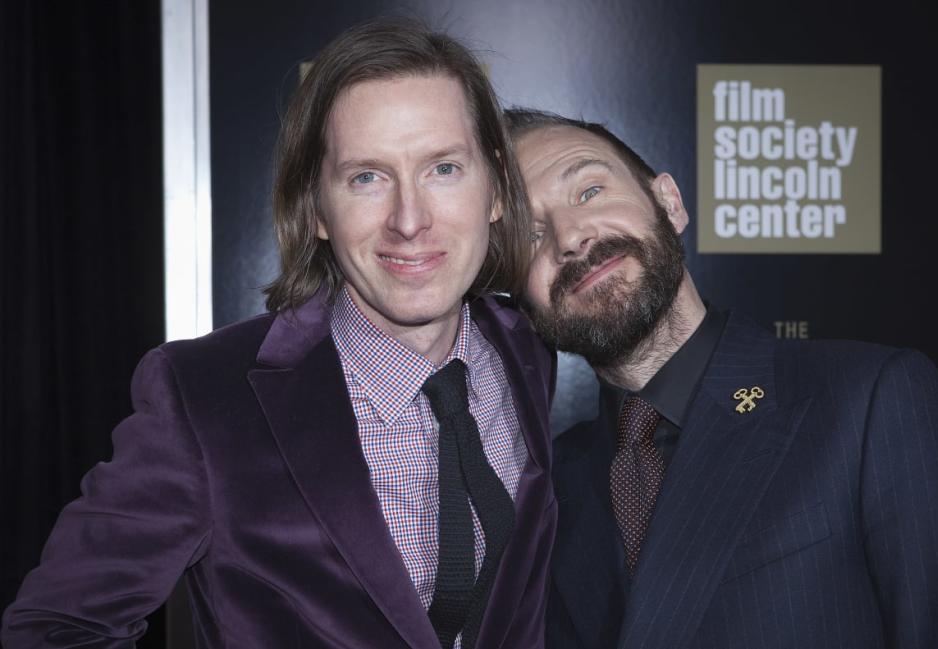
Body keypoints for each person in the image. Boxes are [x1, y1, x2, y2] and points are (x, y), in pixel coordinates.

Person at [2, 21, 557, 649]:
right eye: (366, 177)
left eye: (444, 168)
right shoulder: (205, 397)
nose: (409, 220)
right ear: (316, 211)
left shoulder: (527, 348)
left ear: (496, 190)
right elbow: (55, 628)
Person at [505, 108, 938, 649]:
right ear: (517, 296)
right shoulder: (546, 489)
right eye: (528, 236)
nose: (571, 237)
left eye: (589, 191)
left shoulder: (868, 400)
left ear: (668, 202)